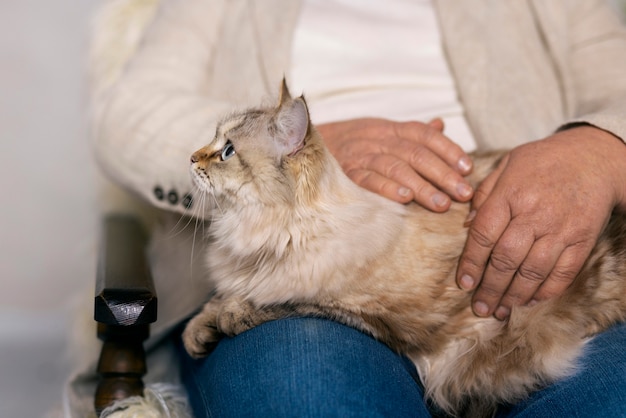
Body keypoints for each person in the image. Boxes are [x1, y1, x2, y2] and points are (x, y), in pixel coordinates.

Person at [81, 0, 626, 416]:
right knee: (306, 391)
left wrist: (601, 146)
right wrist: (303, 152)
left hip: (543, 279)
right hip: (288, 284)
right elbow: (127, 115)